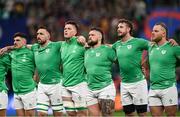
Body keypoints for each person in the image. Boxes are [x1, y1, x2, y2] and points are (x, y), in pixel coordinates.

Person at [148, 22, 180, 116]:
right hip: (153, 88)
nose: (152, 32)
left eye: (156, 31)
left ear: (163, 33)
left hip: (168, 87)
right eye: (152, 30)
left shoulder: (173, 47)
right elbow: (148, 61)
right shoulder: (151, 47)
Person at [31, 26, 63, 116]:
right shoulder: (35, 47)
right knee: (41, 114)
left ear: (48, 36)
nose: (38, 36)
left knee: (57, 114)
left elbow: (71, 43)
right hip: (42, 85)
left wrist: (80, 38)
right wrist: (8, 48)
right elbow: (24, 46)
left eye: (41, 34)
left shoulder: (56, 45)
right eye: (37, 34)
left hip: (56, 84)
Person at [85, 27, 116, 116]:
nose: (89, 37)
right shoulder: (86, 51)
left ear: (100, 37)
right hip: (90, 89)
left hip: (105, 87)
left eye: (92, 35)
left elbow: (120, 62)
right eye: (89, 35)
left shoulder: (107, 50)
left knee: (107, 115)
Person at [61, 20, 88, 116]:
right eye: (65, 29)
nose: (66, 30)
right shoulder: (62, 45)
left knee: (82, 113)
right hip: (65, 85)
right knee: (70, 113)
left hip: (79, 84)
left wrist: (82, 39)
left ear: (75, 32)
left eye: (69, 29)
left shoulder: (80, 43)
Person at [10, 32, 37, 116]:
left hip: (28, 90)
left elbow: (40, 65)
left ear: (24, 42)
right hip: (16, 91)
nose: (15, 42)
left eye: (18, 40)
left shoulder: (31, 53)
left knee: (30, 115)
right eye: (14, 40)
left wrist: (36, 78)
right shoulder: (12, 53)